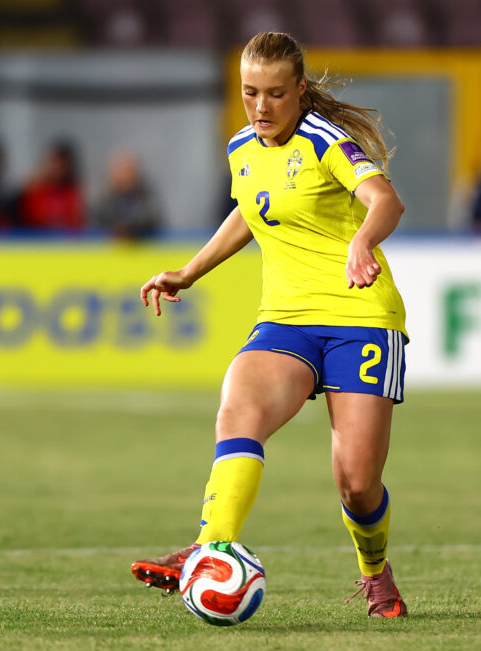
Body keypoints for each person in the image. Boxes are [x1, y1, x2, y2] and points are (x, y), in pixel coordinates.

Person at [132, 31, 409, 618]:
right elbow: (249, 213)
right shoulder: (242, 147)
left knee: (357, 482)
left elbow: (385, 201)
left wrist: (361, 242)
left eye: (276, 94)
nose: (261, 107)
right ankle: (207, 547)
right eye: (250, 92)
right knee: (239, 410)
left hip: (359, 317)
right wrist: (189, 272)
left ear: (300, 90)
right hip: (285, 320)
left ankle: (375, 573)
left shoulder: (325, 141)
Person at [17, 140, 85, 233]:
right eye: (54, 163)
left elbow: (76, 224)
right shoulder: (34, 191)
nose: (57, 168)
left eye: (62, 164)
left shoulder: (72, 193)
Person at [94, 151, 162, 239]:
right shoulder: (104, 197)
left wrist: (133, 229)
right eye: (119, 170)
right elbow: (96, 220)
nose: (124, 175)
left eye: (128, 170)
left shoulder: (146, 195)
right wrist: (114, 228)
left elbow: (153, 219)